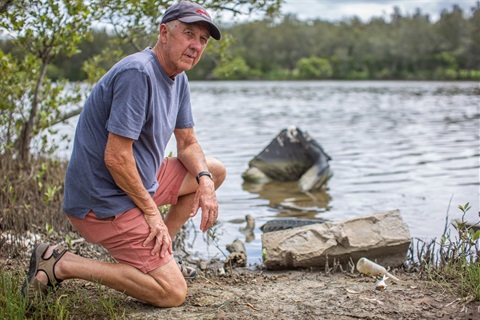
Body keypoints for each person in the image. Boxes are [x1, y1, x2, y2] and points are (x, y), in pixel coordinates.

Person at [22, 1, 226, 308]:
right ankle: (59, 263)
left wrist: (206, 182)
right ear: (164, 33)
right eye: (188, 34)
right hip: (103, 199)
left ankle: (160, 248)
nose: (196, 46)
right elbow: (115, 158)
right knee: (172, 293)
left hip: (138, 180)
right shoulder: (137, 73)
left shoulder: (178, 78)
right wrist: (151, 213)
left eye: (202, 40)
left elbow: (187, 144)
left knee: (213, 170)